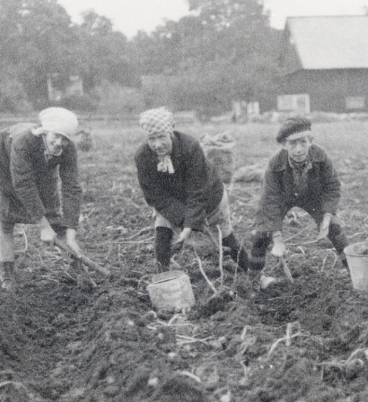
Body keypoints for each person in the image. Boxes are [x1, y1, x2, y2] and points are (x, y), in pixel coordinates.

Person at [135, 107, 250, 273]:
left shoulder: (189, 147)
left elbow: (197, 190)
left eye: (161, 137)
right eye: (152, 139)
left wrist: (189, 225)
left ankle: (256, 275)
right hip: (172, 202)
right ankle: (164, 277)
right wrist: (183, 219)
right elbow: (154, 196)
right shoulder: (143, 156)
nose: (157, 144)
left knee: (225, 236)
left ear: (171, 133)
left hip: (209, 196)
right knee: (162, 230)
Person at [0, 107, 85, 290]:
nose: (60, 143)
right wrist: (43, 227)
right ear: (45, 132)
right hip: (3, 166)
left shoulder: (68, 149)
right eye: (56, 136)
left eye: (65, 139)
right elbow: (23, 184)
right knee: (6, 220)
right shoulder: (23, 142)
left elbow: (72, 187)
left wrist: (71, 231)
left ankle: (78, 269)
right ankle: (7, 274)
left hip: (42, 171)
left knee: (55, 219)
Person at [247, 116, 349, 284]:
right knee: (261, 234)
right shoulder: (274, 164)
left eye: (303, 142)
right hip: (282, 198)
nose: (299, 149)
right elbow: (270, 200)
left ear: (311, 141)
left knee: (335, 228)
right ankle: (254, 280)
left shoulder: (321, 156)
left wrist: (327, 217)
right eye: (292, 144)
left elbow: (332, 187)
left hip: (312, 196)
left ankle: (355, 272)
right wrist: (277, 239)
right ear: (284, 145)